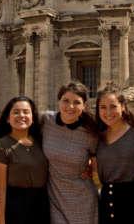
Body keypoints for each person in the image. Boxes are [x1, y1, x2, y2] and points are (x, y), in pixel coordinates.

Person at [41, 81, 100, 224]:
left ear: (84, 106)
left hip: (83, 198)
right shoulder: (45, 121)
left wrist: (93, 173)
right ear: (58, 101)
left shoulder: (90, 132)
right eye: (66, 101)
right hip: (54, 196)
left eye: (77, 102)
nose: (70, 107)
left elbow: (98, 160)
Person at [95, 83, 134, 224]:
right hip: (107, 201)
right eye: (103, 107)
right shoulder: (96, 137)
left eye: (113, 106)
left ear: (123, 107)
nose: (108, 112)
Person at [0, 96, 49, 224]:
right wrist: (1, 221)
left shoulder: (41, 142)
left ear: (33, 118)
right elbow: (0, 189)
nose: (21, 115)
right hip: (15, 208)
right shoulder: (2, 145)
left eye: (26, 112)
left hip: (42, 206)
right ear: (8, 118)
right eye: (16, 112)